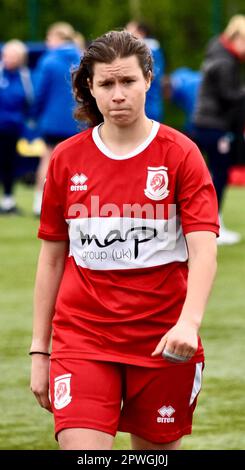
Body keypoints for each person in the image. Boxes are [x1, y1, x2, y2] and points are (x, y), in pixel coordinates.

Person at [30, 30, 219, 451]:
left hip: (163, 340)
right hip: (82, 338)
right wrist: (39, 351)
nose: (118, 94)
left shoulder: (181, 154)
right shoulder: (66, 159)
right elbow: (51, 261)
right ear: (91, 89)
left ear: (148, 80)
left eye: (128, 81)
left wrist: (188, 323)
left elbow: (204, 250)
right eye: (106, 84)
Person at [193, 15, 245, 245]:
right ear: (237, 37)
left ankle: (210, 223)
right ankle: (212, 226)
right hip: (214, 124)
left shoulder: (217, 53)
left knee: (210, 175)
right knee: (219, 175)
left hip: (206, 122)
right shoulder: (224, 61)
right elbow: (229, 96)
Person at [32, 22, 82, 216]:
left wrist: (35, 115)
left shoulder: (48, 60)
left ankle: (40, 203)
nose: (47, 42)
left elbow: (40, 92)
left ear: (58, 38)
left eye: (49, 38)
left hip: (52, 121)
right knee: (75, 164)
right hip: (76, 120)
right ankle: (72, 203)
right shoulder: (82, 58)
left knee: (47, 159)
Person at [0, 39, 34, 214]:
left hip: (13, 129)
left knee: (8, 164)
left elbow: (29, 103)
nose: (8, 59)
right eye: (6, 54)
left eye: (13, 56)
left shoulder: (25, 77)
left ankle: (8, 201)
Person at [126, 21, 165, 122]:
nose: (126, 33)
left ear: (141, 33)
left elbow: (153, 77)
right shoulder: (154, 50)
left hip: (147, 106)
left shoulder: (149, 51)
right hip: (151, 105)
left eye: (129, 30)